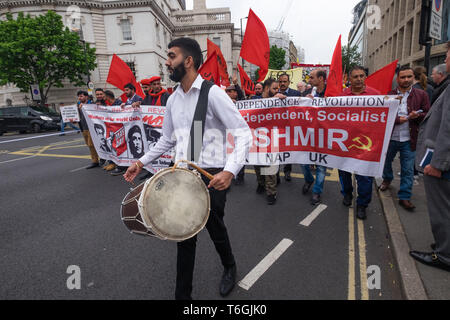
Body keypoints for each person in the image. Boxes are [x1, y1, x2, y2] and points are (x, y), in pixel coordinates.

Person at [123, 37, 253, 300]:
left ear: (189, 61)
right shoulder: (173, 100)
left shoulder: (212, 93)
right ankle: (182, 296)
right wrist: (140, 162)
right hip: (181, 173)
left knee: (215, 227)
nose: (167, 62)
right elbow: (167, 140)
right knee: (183, 233)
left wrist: (229, 171)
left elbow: (243, 133)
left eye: (171, 56)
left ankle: (229, 266)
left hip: (211, 174)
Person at [410, 42, 450, 272]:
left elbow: (447, 129)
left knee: (441, 210)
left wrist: (438, 164)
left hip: (440, 164)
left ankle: (444, 255)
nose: (445, 61)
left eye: (447, 56)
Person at [379, 66, 430, 211]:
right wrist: (396, 120)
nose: (406, 80)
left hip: (410, 139)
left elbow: (427, 113)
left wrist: (417, 115)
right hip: (391, 138)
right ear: (397, 79)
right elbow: (383, 115)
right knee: (386, 162)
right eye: (403, 77)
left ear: (413, 77)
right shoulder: (389, 95)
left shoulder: (422, 95)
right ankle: (387, 178)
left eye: (409, 77)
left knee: (407, 169)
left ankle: (405, 197)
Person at [339, 66, 381, 220]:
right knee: (344, 172)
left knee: (364, 176)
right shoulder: (342, 96)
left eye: (361, 76)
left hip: (366, 144)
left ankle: (362, 204)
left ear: (365, 77)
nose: (358, 79)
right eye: (355, 76)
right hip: (345, 142)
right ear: (349, 79)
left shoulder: (375, 96)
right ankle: (347, 194)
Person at [302, 69, 328, 205]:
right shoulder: (308, 93)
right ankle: (309, 179)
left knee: (321, 165)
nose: (309, 80)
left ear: (321, 79)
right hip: (308, 135)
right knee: (303, 161)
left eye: (311, 77)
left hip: (324, 135)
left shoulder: (332, 94)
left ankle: (317, 192)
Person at [254, 78, 280, 205]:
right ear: (266, 89)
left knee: (270, 167)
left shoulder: (279, 101)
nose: (277, 91)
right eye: (274, 88)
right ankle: (261, 183)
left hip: (272, 139)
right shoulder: (253, 101)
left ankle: (271, 192)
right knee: (257, 165)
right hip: (257, 139)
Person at [278, 73, 302, 182]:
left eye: (284, 81)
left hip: (290, 127)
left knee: (288, 150)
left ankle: (287, 171)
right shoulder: (274, 93)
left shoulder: (296, 93)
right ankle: (274, 174)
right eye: (280, 82)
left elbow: (302, 108)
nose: (282, 84)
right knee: (275, 150)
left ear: (289, 82)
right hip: (276, 127)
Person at [77, 91, 100, 169]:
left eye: (81, 96)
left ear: (86, 97)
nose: (80, 98)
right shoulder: (78, 105)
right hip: (83, 128)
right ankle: (96, 159)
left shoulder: (92, 104)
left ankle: (95, 161)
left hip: (91, 128)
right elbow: (77, 117)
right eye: (79, 96)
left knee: (91, 144)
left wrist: (85, 106)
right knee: (89, 145)